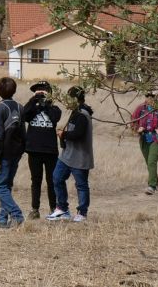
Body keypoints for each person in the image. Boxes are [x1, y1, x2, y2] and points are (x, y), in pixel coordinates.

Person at [48, 86, 94, 223]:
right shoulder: (75, 112)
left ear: (75, 98)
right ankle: (62, 209)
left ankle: (82, 212)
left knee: (81, 185)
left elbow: (78, 134)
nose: (66, 100)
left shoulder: (83, 114)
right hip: (67, 155)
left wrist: (63, 134)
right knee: (57, 178)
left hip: (80, 157)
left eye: (69, 97)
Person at [20, 80, 61, 219]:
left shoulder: (55, 109)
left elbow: (55, 118)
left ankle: (54, 208)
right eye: (38, 91)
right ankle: (35, 209)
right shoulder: (32, 109)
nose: (41, 93)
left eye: (44, 91)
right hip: (34, 150)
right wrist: (34, 100)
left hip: (50, 151)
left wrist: (47, 104)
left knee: (52, 181)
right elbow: (23, 115)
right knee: (35, 181)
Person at [0, 76, 26, 229]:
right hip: (16, 153)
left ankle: (17, 216)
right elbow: (23, 133)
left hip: (4, 154)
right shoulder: (20, 107)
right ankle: (2, 219)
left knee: (0, 187)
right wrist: (21, 151)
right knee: (7, 185)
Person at [131, 90, 158, 195]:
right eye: (147, 95)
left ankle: (152, 186)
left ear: (156, 97)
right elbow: (133, 120)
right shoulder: (141, 108)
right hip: (144, 139)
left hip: (157, 140)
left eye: (152, 96)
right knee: (149, 163)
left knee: (151, 162)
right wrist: (137, 128)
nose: (149, 97)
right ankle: (156, 181)